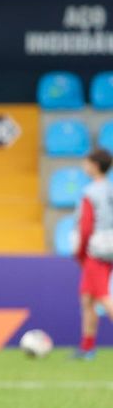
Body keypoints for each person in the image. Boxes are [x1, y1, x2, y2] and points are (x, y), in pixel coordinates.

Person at [74, 148, 113, 359]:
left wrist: (80, 251)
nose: (84, 165)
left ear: (95, 165)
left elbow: (86, 226)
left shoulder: (90, 192)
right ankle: (87, 347)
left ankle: (87, 348)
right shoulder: (111, 189)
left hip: (96, 250)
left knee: (103, 297)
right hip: (111, 247)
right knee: (87, 298)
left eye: (87, 162)